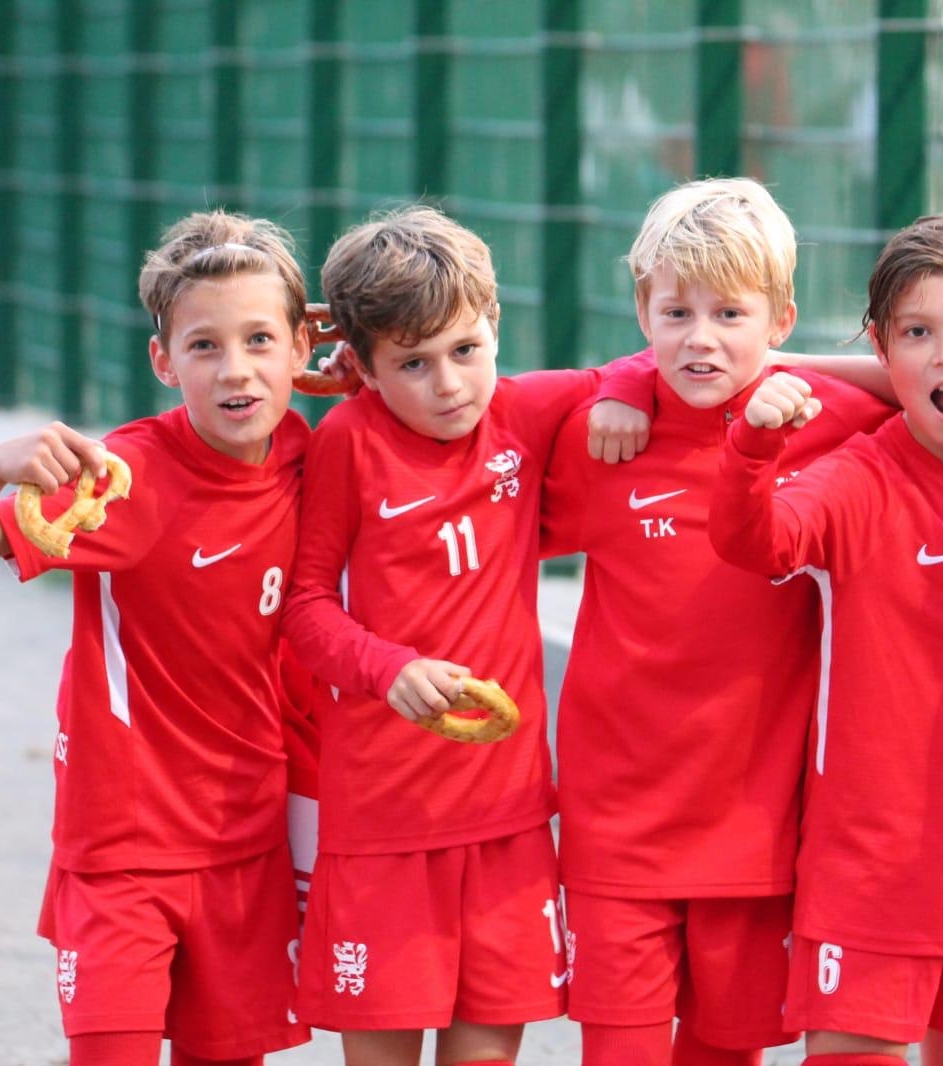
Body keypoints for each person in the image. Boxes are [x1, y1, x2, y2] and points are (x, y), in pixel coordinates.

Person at [0, 211, 315, 1066]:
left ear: (302, 348)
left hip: (249, 838)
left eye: (258, 340)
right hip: (122, 845)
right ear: (163, 362)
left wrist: (361, 381)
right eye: (204, 346)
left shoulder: (307, 456)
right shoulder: (123, 479)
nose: (235, 368)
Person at [535, 176, 897, 1066]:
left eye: (731, 314)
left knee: (725, 1051)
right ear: (642, 314)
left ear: (781, 320)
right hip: (617, 822)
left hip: (758, 822)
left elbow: (941, 379)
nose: (700, 339)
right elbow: (467, 425)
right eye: (676, 313)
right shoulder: (602, 435)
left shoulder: (827, 423)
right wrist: (625, 377)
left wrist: (780, 367)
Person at [277, 204, 651, 1066]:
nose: (449, 384)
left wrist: (626, 392)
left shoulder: (523, 411)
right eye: (413, 363)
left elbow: (656, 362)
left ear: (494, 325)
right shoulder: (347, 443)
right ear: (363, 365)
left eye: (466, 350)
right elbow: (304, 608)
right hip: (383, 819)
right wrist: (388, 669)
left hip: (508, 817)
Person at [708, 212, 943, 1066]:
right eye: (917, 333)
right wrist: (754, 444)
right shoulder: (861, 476)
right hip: (868, 875)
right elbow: (755, 540)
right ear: (880, 346)